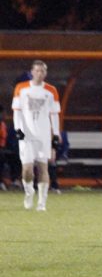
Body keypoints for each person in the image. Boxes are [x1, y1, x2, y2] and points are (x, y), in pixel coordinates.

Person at [11, 60, 61, 211]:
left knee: (43, 167)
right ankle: (29, 192)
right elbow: (17, 112)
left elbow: (54, 115)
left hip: (43, 135)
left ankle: (42, 202)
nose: (40, 74)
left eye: (43, 71)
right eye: (37, 71)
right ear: (32, 72)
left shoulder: (51, 91)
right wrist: (17, 129)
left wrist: (56, 135)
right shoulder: (21, 88)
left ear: (46, 73)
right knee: (27, 170)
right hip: (26, 135)